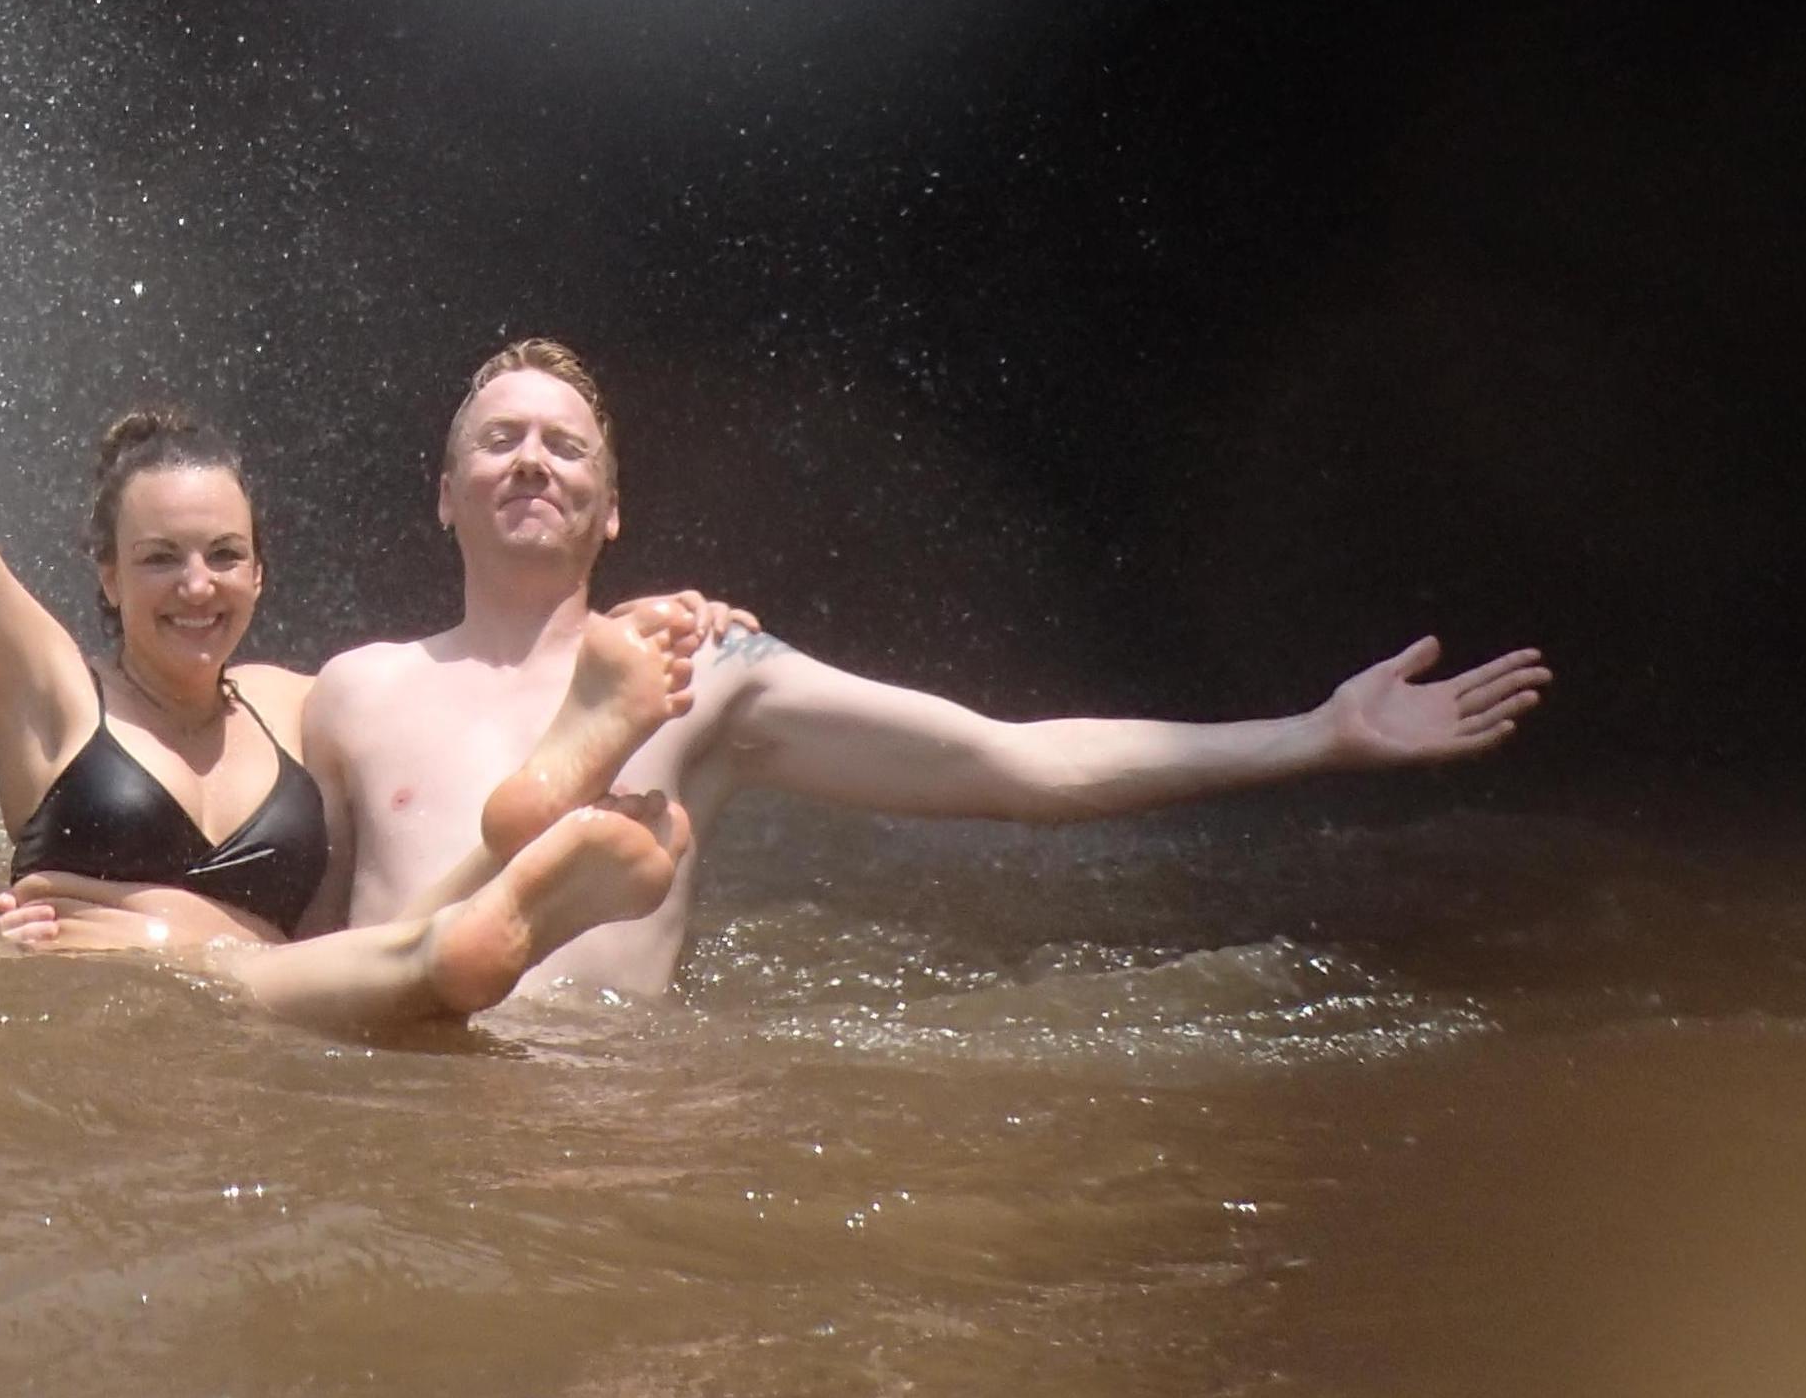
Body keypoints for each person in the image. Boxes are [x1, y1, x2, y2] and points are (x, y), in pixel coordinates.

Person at [0, 58, 695, 1038]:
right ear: (107, 573)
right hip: (110, 1029)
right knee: (404, 956)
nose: (198, 586)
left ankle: (512, 865)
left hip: (272, 1022)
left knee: (400, 942)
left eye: (225, 555)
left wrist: (684, 624)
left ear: (261, 572)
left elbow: (472, 697)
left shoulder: (301, 708)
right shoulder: (51, 697)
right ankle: (488, 914)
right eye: (161, 558)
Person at [295, 335, 1557, 994]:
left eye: (566, 447)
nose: (531, 460)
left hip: (601, 1117)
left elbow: (1008, 765)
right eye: (499, 441)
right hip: (409, 1107)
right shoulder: (352, 692)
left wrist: (1315, 733)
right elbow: (281, 935)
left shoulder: (703, 676)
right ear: (443, 496)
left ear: (612, 509)